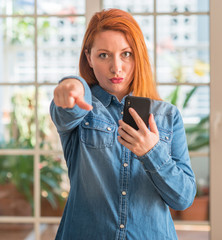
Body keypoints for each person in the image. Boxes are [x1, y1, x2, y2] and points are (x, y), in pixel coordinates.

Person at [50, 8, 196, 240]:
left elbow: (183, 198)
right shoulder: (81, 105)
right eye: (104, 55)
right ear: (89, 58)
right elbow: (67, 108)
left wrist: (151, 152)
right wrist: (72, 84)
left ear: (138, 56)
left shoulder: (168, 116)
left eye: (126, 54)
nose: (116, 67)